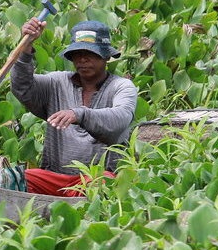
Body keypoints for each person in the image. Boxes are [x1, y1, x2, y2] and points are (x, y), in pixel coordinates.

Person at [9, 18, 137, 196]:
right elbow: (22, 87)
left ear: (107, 56)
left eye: (91, 54)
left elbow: (120, 117)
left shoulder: (121, 87)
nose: (83, 59)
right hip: (55, 179)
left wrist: (79, 114)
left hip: (95, 179)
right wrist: (26, 48)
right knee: (12, 180)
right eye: (77, 53)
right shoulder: (56, 82)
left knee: (101, 183)